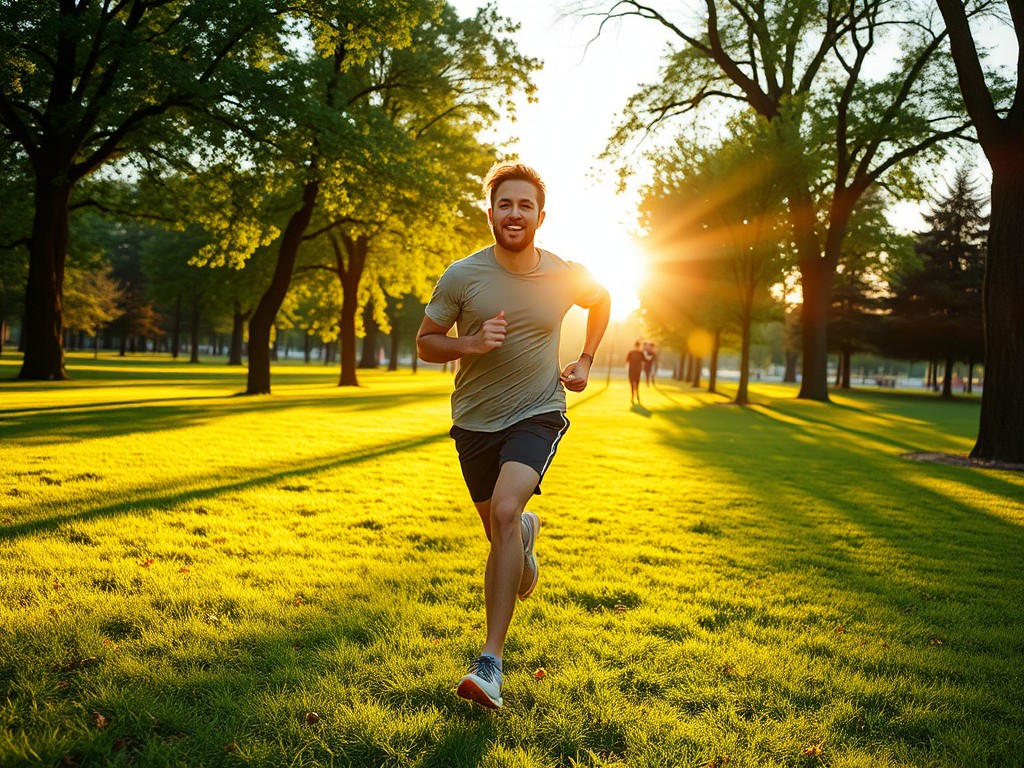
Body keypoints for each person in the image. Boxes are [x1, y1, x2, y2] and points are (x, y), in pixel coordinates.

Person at [416, 162, 611, 709]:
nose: (515, 214)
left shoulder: (564, 273)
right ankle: (524, 539)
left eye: (525, 206)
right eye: (506, 204)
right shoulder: (462, 276)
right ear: (491, 213)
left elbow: (604, 300)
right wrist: (470, 345)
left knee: (502, 511)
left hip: (538, 410)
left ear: (540, 216)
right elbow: (427, 342)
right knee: (500, 529)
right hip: (474, 421)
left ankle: (490, 663)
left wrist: (587, 358)